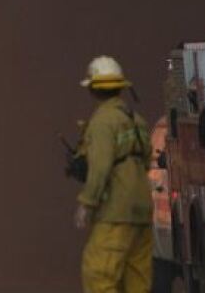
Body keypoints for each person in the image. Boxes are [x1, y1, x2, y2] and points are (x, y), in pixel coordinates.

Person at [74, 56, 153, 293]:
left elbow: (100, 167)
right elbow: (146, 161)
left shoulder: (102, 122)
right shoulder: (137, 120)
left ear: (93, 90)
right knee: (137, 281)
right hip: (141, 211)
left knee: (99, 274)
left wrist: (86, 203)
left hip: (115, 212)